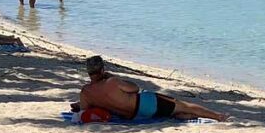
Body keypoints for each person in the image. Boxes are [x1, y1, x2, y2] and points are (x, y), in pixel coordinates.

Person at [77, 55, 228, 122]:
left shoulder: (86, 92)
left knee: (170, 110)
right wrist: (111, 77)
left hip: (132, 116)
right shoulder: (112, 82)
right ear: (102, 70)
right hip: (145, 105)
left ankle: (180, 116)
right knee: (183, 104)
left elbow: (84, 111)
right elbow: (135, 89)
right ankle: (217, 116)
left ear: (89, 73)